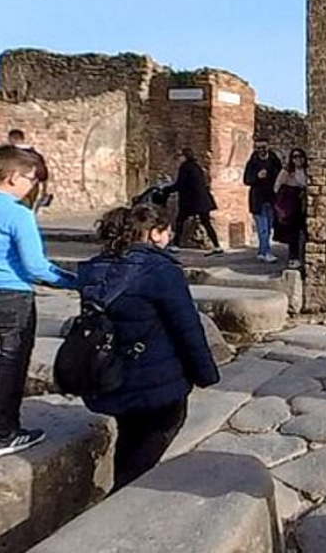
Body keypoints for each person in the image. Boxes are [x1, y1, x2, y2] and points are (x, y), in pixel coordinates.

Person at [76, 204, 221, 489]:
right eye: (166, 232)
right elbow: (186, 327)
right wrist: (205, 373)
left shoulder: (94, 268)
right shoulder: (161, 271)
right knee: (160, 431)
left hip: (108, 374)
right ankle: (125, 500)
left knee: (130, 436)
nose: (168, 238)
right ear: (154, 234)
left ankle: (123, 484)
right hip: (154, 380)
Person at [0, 145, 77, 458]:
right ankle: (4, 434)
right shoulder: (18, 215)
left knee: (9, 353)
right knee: (16, 361)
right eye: (30, 179)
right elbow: (35, 266)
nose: (32, 185)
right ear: (11, 177)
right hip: (11, 295)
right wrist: (74, 282)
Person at [164, 149, 223, 256]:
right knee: (206, 222)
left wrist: (166, 190)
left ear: (185, 157)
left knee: (180, 220)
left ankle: (176, 245)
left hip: (192, 200)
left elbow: (180, 184)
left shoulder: (185, 167)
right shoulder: (196, 166)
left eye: (180, 156)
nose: (178, 158)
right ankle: (217, 246)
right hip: (202, 199)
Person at [243, 138, 283, 263]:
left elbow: (280, 176)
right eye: (258, 147)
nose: (261, 150)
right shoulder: (252, 162)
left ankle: (261, 251)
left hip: (271, 198)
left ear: (268, 147)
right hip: (257, 199)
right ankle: (266, 253)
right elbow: (246, 180)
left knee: (269, 227)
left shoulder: (274, 160)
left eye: (263, 147)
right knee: (262, 228)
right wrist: (257, 177)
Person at [273, 148, 310, 273]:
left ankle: (306, 257)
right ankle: (293, 258)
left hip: (306, 205)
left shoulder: (308, 171)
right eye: (294, 157)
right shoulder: (286, 172)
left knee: (307, 232)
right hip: (292, 206)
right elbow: (276, 188)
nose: (297, 159)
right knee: (293, 234)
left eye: (300, 156)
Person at [7, 130, 50, 212]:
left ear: (12, 138)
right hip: (33, 184)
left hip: (15, 184)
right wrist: (44, 190)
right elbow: (44, 173)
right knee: (28, 209)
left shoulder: (12, 154)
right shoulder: (35, 154)